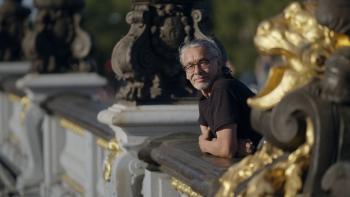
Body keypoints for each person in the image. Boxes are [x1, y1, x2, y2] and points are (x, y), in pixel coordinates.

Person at [179, 39, 261, 158]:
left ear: (218, 63)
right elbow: (209, 136)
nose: (197, 71)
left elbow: (225, 149)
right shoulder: (204, 94)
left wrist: (203, 145)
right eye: (190, 66)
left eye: (204, 62)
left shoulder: (222, 88)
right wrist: (235, 146)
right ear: (186, 72)